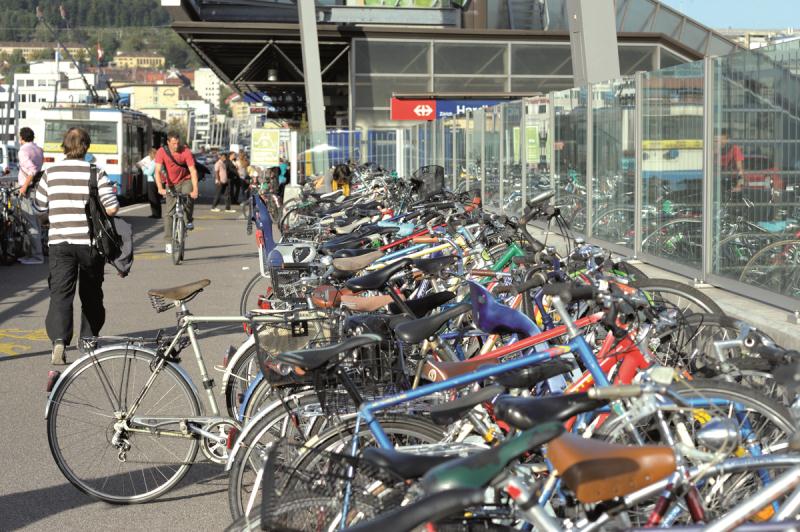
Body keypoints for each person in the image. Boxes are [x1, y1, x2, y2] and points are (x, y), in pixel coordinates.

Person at [34, 127, 119, 365]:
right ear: (87, 146)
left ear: (64, 146)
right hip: (90, 244)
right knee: (91, 293)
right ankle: (89, 341)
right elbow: (112, 208)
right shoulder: (96, 172)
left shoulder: (50, 173)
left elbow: (39, 207)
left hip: (60, 243)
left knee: (60, 293)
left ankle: (59, 341)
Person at [155, 131, 199, 255]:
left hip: (186, 180)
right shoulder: (161, 152)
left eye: (178, 143)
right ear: (168, 142)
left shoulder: (186, 151)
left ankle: (188, 219)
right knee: (169, 212)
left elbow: (193, 171)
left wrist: (195, 189)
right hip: (171, 184)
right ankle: (169, 241)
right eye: (173, 144)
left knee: (189, 196)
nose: (176, 146)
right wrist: (160, 188)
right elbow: (157, 171)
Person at [17, 127, 45, 264]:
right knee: (36, 222)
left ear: (21, 137)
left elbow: (32, 171)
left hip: (28, 190)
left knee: (30, 223)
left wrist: (23, 187)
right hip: (37, 189)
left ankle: (37, 256)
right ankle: (33, 254)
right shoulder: (39, 149)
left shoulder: (23, 150)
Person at [137, 147, 161, 219]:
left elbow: (149, 172)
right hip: (154, 181)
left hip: (152, 181)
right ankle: (156, 214)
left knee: (153, 198)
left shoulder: (154, 162)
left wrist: (143, 168)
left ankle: (156, 214)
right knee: (156, 198)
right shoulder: (156, 161)